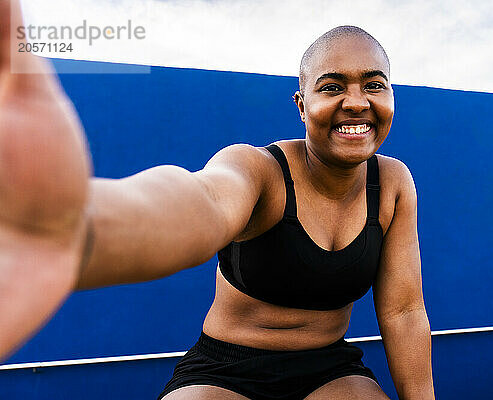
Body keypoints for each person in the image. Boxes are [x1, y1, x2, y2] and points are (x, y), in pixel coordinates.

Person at [0, 1, 435, 398]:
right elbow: (201, 201)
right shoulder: (259, 170)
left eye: (374, 85)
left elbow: (404, 311)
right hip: (226, 370)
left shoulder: (393, 183)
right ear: (302, 105)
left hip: (331, 370)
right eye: (332, 86)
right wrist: (75, 227)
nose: (356, 102)